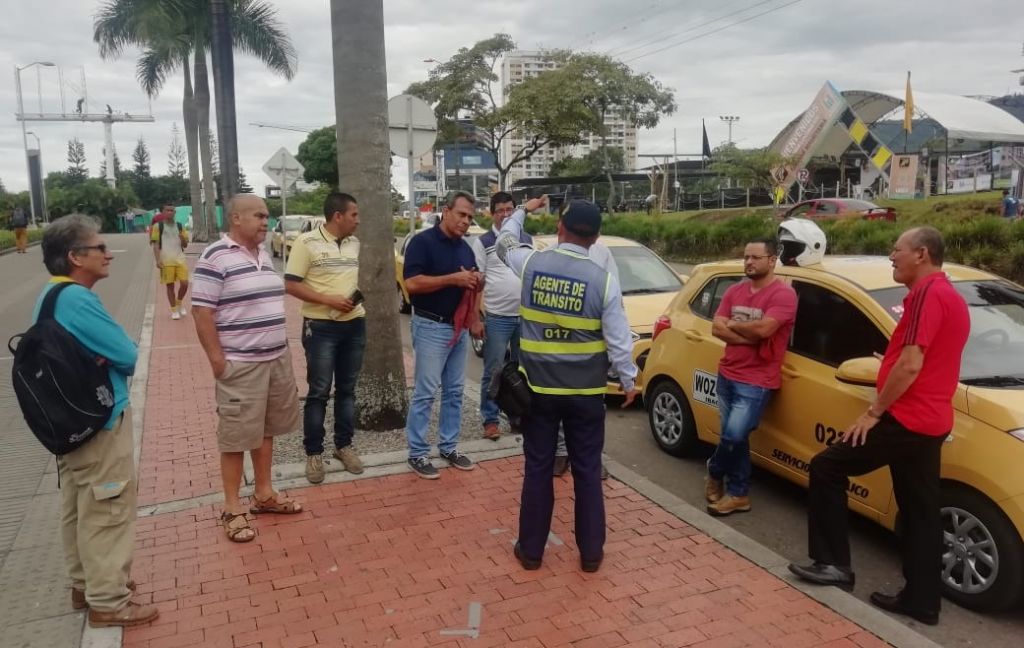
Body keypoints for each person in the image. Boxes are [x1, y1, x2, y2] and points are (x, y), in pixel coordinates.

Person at [789, 227, 969, 626]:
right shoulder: (949, 296)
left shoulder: (927, 293)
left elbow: (912, 363)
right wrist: (888, 362)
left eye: (897, 249)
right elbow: (922, 357)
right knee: (921, 513)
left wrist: (873, 413)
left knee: (826, 467)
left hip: (906, 419)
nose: (891, 255)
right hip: (932, 421)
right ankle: (922, 601)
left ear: (920, 254)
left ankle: (832, 564)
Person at [496, 197, 639, 573]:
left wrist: (521, 212)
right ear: (596, 238)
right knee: (588, 471)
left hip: (538, 392)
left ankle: (531, 552)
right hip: (586, 395)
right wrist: (628, 380)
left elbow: (504, 241)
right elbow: (619, 338)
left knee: (538, 468)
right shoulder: (603, 281)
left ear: (560, 228)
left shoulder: (531, 263)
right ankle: (591, 555)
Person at [35, 214, 158, 627]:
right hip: (99, 420)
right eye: (99, 248)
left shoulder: (50, 295)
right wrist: (105, 355)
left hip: (68, 421)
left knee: (78, 504)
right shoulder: (78, 299)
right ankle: (109, 601)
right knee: (109, 506)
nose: (109, 254)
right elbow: (127, 354)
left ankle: (85, 584)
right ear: (74, 257)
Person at [192, 194, 304, 543]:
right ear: (236, 218)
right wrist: (218, 362)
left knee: (265, 430)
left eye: (267, 216)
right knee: (236, 437)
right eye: (259, 215)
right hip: (241, 365)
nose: (265, 222)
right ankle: (231, 507)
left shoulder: (264, 254)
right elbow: (201, 312)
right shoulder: (215, 256)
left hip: (275, 360)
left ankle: (264, 494)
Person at [705, 237, 797, 516]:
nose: (748, 262)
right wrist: (747, 332)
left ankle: (714, 470)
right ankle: (738, 494)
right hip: (727, 373)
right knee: (738, 437)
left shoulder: (783, 295)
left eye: (755, 257)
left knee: (733, 436)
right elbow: (716, 329)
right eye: (746, 257)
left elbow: (765, 331)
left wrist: (734, 327)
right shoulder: (734, 291)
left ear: (772, 260)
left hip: (756, 380)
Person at [284, 192, 366, 483]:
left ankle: (344, 446)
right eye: (354, 214)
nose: (358, 220)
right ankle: (314, 453)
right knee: (319, 391)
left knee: (348, 390)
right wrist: (327, 299)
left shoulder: (355, 243)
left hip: (354, 325)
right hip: (321, 328)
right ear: (338, 216)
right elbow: (291, 284)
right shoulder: (306, 243)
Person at [402, 190, 484, 479]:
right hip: (430, 327)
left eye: (470, 217)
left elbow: (473, 284)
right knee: (425, 393)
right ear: (445, 211)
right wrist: (453, 279)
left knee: (454, 392)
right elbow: (411, 284)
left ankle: (449, 447)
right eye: (461, 214)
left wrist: (473, 314)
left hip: (458, 328)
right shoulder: (422, 243)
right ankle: (417, 453)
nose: (465, 221)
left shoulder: (465, 248)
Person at [553, 240, 620, 478]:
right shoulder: (552, 253)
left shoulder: (602, 252)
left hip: (592, 349)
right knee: (561, 402)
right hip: (560, 344)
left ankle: (592, 458)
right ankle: (561, 453)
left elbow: (614, 297)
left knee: (592, 408)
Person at [471, 191, 531, 441]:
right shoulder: (483, 242)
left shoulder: (526, 239)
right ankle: (490, 419)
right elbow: (477, 283)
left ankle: (519, 417)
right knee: (493, 369)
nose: (506, 215)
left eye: (510, 210)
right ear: (491, 213)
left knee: (522, 370)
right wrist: (476, 317)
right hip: (497, 317)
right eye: (500, 211)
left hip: (524, 317)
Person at [150, 203, 190, 320]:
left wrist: (183, 239)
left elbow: (185, 245)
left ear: (175, 212)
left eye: (172, 211)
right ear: (163, 212)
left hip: (180, 259)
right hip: (166, 260)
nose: (170, 212)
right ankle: (174, 310)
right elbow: (156, 245)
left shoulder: (180, 226)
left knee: (184, 283)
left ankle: (179, 303)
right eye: (167, 210)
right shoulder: (158, 226)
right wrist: (158, 260)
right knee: (170, 286)